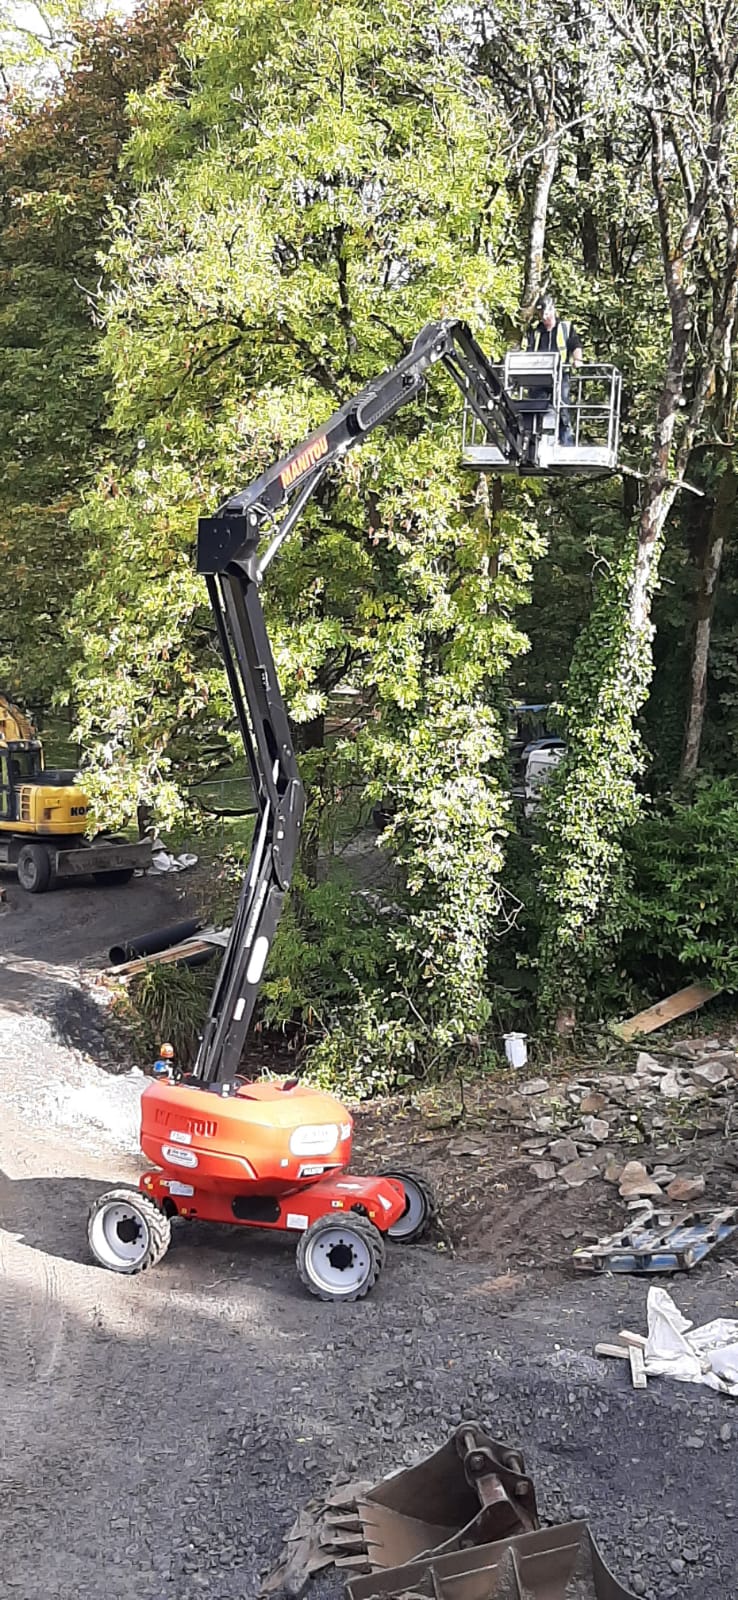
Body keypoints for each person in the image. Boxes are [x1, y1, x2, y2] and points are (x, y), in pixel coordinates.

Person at [526, 294, 583, 445]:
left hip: (560, 375)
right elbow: (529, 351)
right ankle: (536, 442)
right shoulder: (536, 331)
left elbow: (575, 345)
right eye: (541, 314)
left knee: (562, 407)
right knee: (536, 407)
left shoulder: (565, 328)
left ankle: (566, 442)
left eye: (545, 313)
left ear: (552, 310)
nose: (544, 317)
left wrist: (578, 360)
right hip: (539, 377)